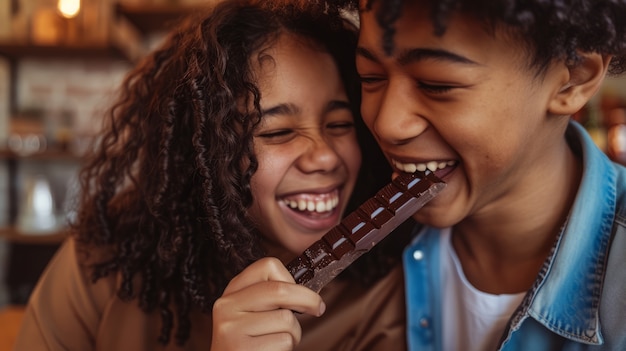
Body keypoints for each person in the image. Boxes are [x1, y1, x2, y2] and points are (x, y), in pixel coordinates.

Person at [13, 1, 409, 350]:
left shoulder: (380, 294)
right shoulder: (105, 257)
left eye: (340, 124)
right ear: (204, 154)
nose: (324, 156)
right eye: (277, 132)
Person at [309, 0, 626, 350]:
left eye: (436, 84)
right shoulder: (356, 236)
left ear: (573, 79)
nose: (387, 123)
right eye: (370, 77)